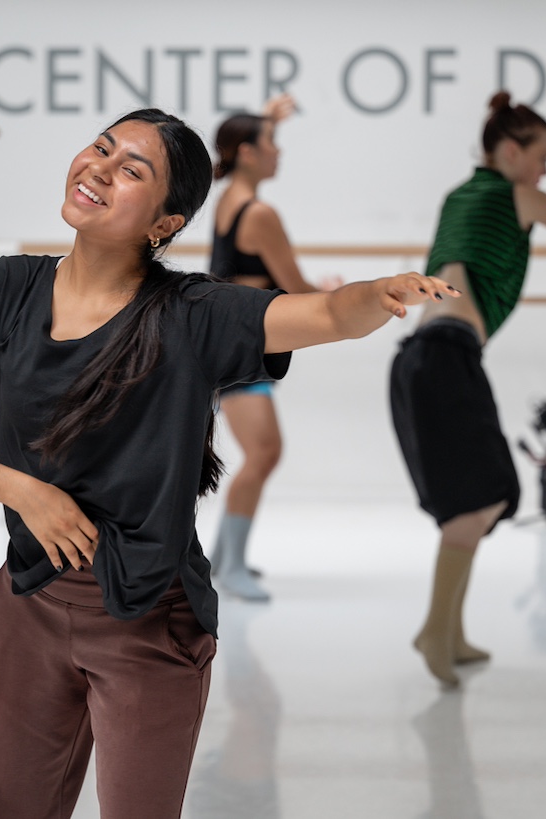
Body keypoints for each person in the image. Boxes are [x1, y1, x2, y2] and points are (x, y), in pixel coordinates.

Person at [0, 107, 456, 818]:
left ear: (166, 221)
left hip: (145, 617)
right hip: (27, 604)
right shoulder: (6, 288)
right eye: (101, 148)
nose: (99, 167)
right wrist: (25, 493)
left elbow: (325, 316)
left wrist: (377, 295)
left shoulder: (192, 312)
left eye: (132, 169)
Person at [390, 91, 546, 688]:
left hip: (427, 358)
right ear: (511, 150)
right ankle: (435, 632)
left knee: (485, 496)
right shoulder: (516, 192)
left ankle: (449, 629)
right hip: (444, 356)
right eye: (543, 156)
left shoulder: (460, 195)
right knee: (479, 500)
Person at [207, 95, 341, 602]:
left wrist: (270, 115)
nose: (278, 153)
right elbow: (296, 286)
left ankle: (225, 557)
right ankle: (231, 565)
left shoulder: (229, 200)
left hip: (235, 339)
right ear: (246, 152)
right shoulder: (259, 213)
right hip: (243, 345)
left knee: (262, 452)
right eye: (271, 144)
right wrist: (329, 287)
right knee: (264, 452)